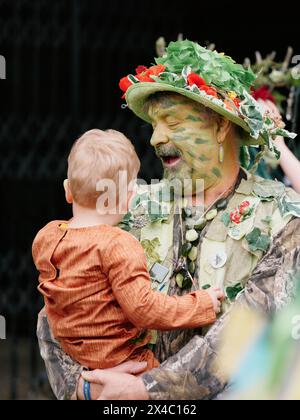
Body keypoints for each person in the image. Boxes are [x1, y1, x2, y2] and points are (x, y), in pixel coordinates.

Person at [37, 40, 300, 400]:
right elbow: (62, 306)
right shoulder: (125, 205)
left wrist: (147, 391)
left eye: (172, 121)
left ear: (221, 126)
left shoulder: (280, 214)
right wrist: (84, 386)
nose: (156, 137)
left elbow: (250, 327)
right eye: (156, 124)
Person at [32, 128, 223, 373]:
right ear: (128, 199)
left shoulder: (47, 237)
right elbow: (144, 309)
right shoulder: (118, 245)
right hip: (122, 360)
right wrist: (202, 304)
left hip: (76, 359)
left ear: (68, 190)